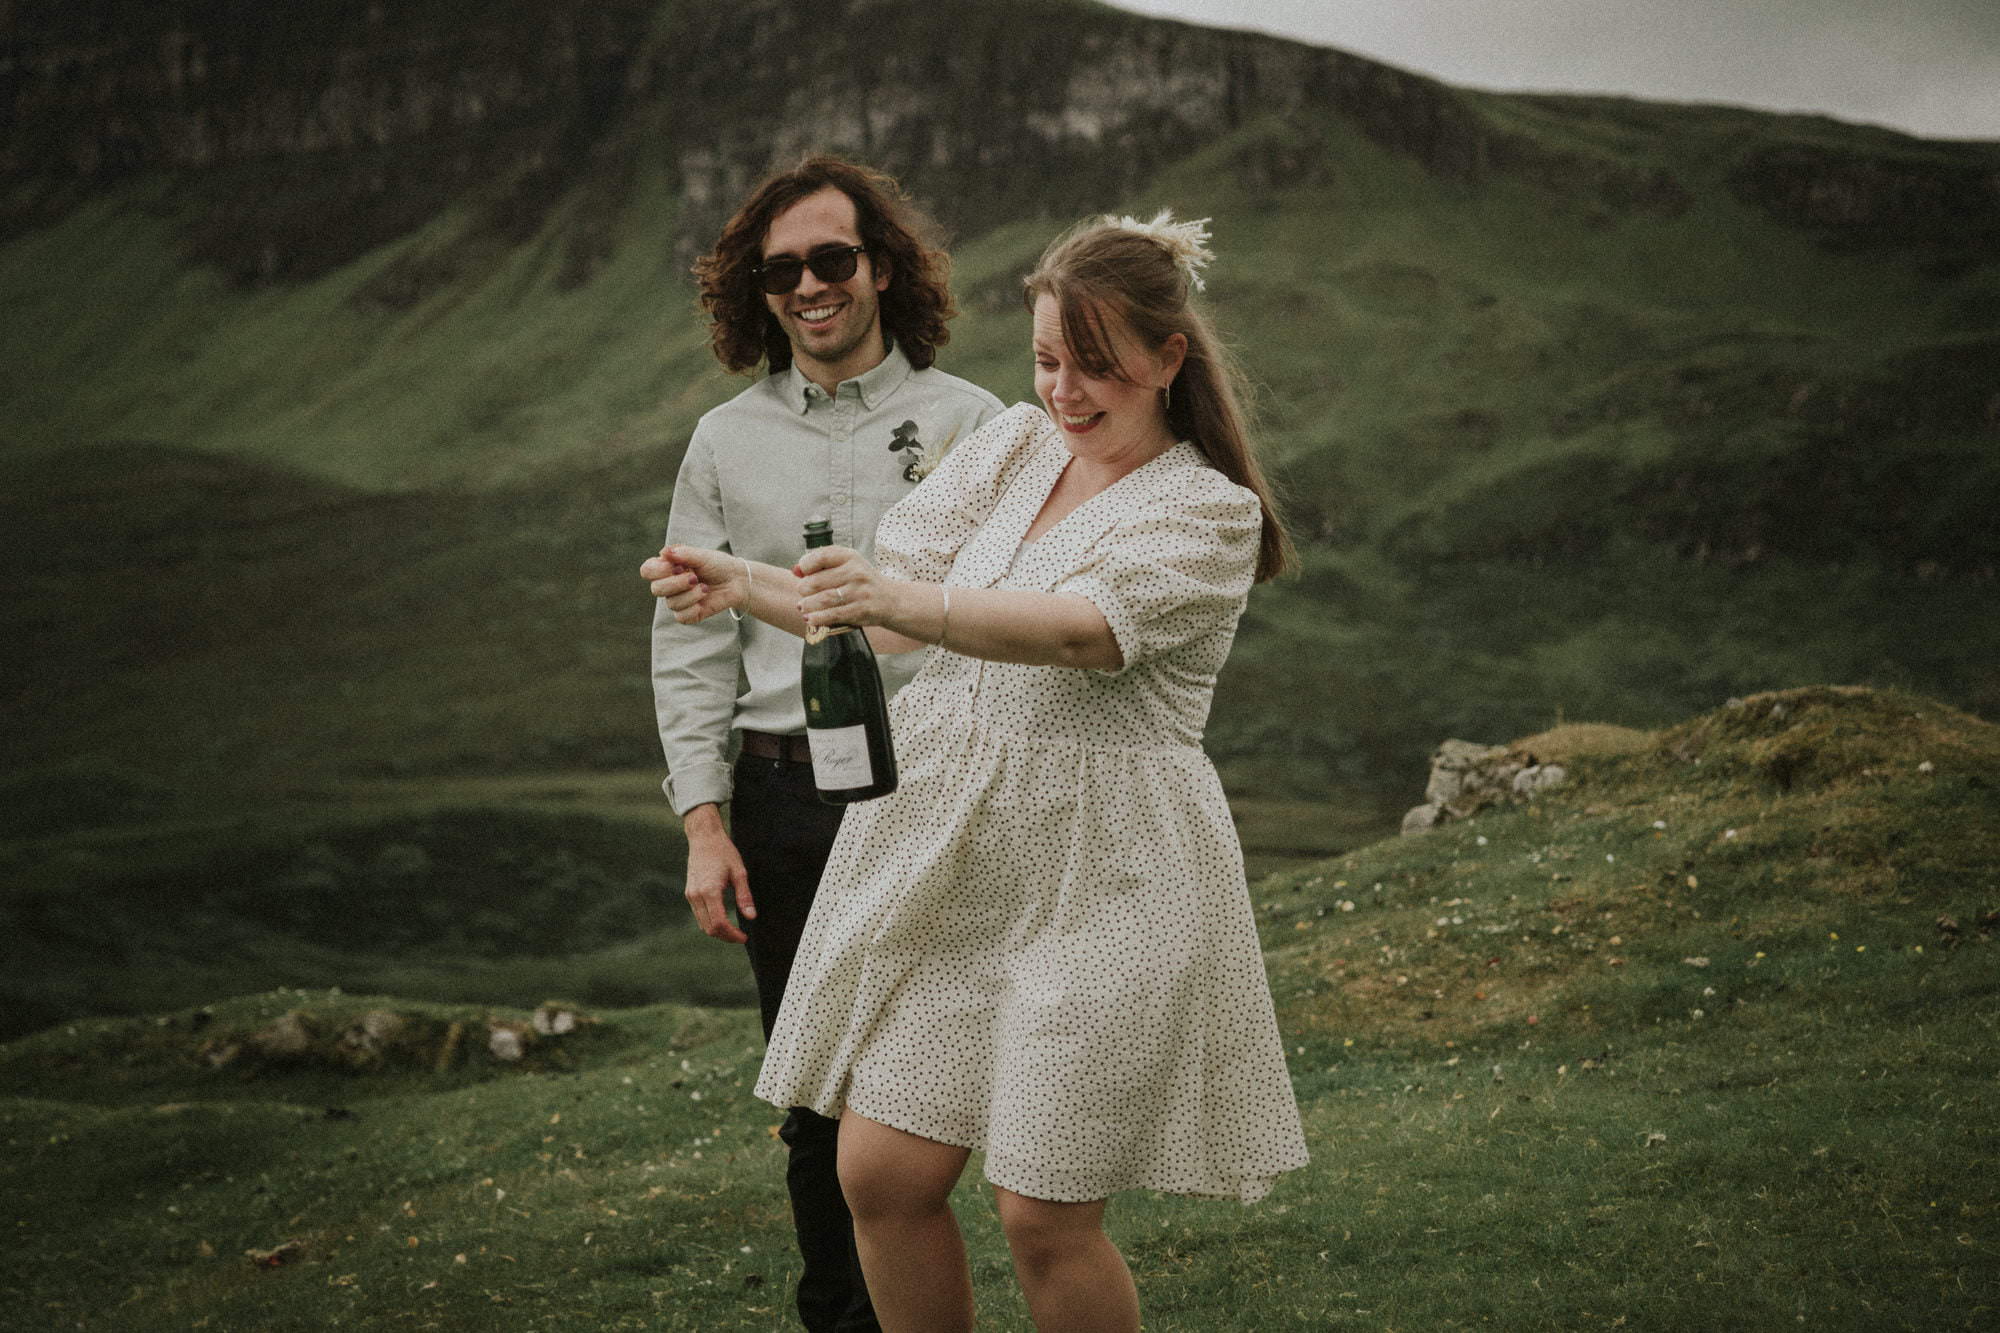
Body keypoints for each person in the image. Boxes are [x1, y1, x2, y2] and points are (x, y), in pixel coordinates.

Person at [645, 210, 1309, 1332]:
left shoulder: (1209, 512)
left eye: (1094, 364)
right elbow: (881, 616)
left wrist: (906, 600)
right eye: (1047, 359)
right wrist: (742, 584)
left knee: (1041, 1212)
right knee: (879, 1175)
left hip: (1106, 878)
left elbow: (1077, 631)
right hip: (950, 858)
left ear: (1166, 358)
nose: (1064, 391)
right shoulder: (1011, 446)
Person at [650, 154, 1001, 1333]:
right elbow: (690, 643)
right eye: (779, 271)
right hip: (785, 800)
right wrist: (703, 823)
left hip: (941, 790)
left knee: (963, 1082)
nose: (808, 286)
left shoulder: (975, 424)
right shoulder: (720, 442)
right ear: (755, 292)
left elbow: (1008, 611)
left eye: (832, 259)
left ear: (882, 267)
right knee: (815, 1100)